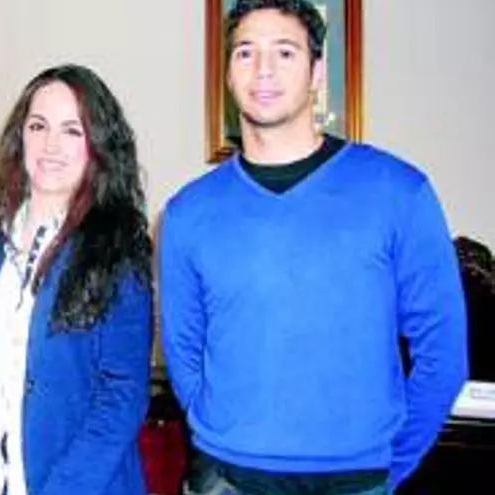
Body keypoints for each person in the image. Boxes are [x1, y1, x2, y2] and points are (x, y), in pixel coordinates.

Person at [158, 1, 468, 494]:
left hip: (357, 480)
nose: (263, 69)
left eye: (284, 52)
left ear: (317, 72)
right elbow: (183, 353)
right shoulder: (186, 213)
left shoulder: (398, 192)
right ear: (229, 75)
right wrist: (228, 441)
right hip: (225, 478)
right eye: (245, 52)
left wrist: (390, 467)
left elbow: (443, 352)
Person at [0, 63, 153, 495]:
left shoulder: (119, 252)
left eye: (72, 130)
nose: (51, 145)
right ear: (20, 138)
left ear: (98, 145)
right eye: (38, 126)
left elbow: (121, 396)